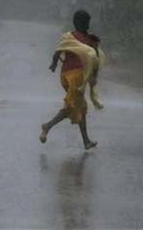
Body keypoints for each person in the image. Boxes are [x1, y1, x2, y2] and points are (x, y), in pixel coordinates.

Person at [40, 10, 104, 150]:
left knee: (80, 106)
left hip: (65, 75)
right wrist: (94, 77)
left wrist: (54, 63)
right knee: (71, 106)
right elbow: (95, 60)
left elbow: (59, 50)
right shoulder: (90, 40)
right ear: (83, 23)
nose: (86, 25)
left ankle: (86, 141)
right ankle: (47, 126)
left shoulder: (69, 37)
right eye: (85, 22)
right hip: (76, 76)